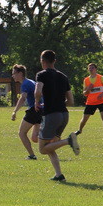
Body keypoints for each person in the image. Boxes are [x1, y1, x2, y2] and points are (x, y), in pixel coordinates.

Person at [34, 50, 79, 182]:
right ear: (54, 61)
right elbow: (71, 101)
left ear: (43, 61)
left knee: (42, 149)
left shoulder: (41, 74)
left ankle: (68, 141)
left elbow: (37, 91)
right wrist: (59, 104)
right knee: (50, 146)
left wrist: (37, 102)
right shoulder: (63, 76)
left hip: (51, 115)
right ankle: (59, 175)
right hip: (64, 115)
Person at [10, 64, 41, 160]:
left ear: (20, 73)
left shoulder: (25, 84)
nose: (13, 76)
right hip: (40, 110)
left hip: (34, 110)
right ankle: (58, 141)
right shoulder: (30, 81)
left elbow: (23, 98)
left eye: (14, 73)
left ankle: (32, 155)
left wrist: (15, 111)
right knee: (35, 138)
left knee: (21, 133)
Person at [76, 63, 103, 138]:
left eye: (92, 68)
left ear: (96, 69)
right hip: (91, 102)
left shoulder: (101, 78)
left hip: (102, 101)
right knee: (85, 118)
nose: (91, 69)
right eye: (89, 68)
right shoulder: (86, 80)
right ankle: (79, 130)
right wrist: (88, 89)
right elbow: (85, 93)